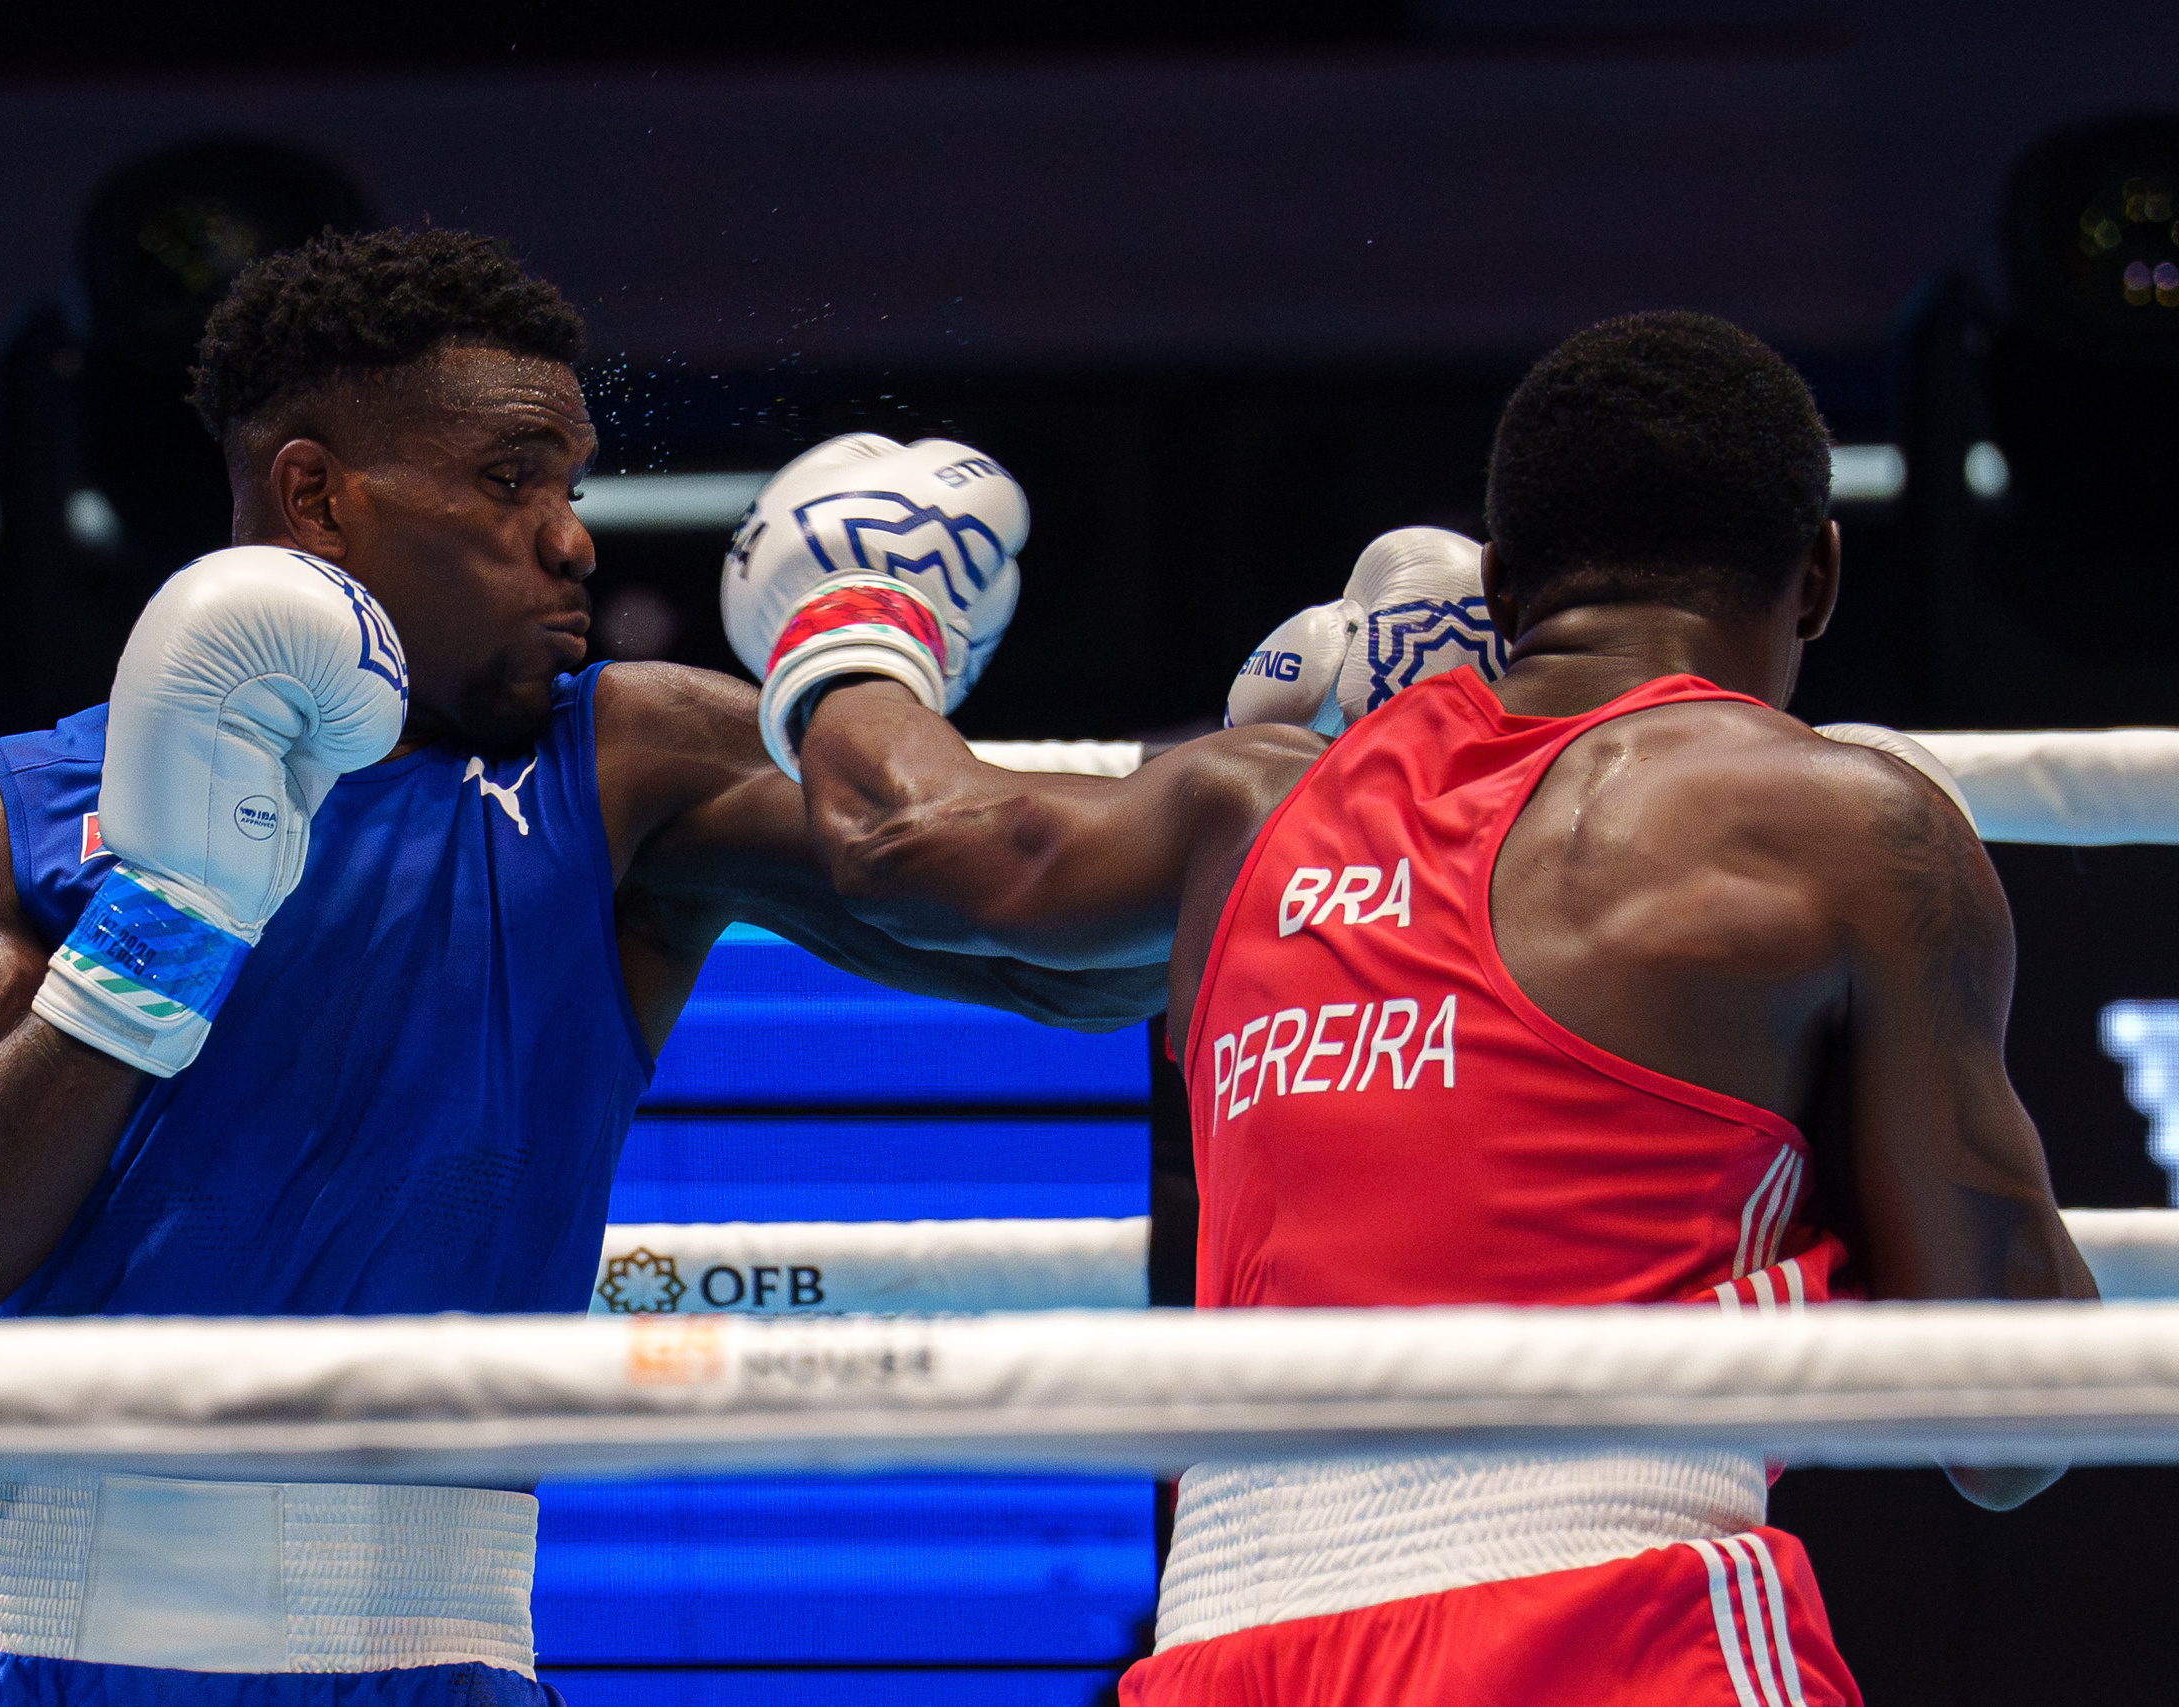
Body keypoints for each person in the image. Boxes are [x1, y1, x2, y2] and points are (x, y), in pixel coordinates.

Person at [0, 227, 1162, 1707]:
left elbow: (1079, 963)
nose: (571, 538)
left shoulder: (619, 768)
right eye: (512, 481)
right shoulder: (15, 810)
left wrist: (1315, 802)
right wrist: (165, 922)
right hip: (33, 1650)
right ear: (317, 494)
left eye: (572, 486)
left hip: (432, 1657)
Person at [739, 310, 2098, 1704]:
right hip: (1612, 1624)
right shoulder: (1844, 829)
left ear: (1505, 584)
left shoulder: (1246, 809)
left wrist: (858, 622)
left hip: (1226, 1649)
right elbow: (2012, 1422)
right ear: (1816, 576)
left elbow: (907, 842)